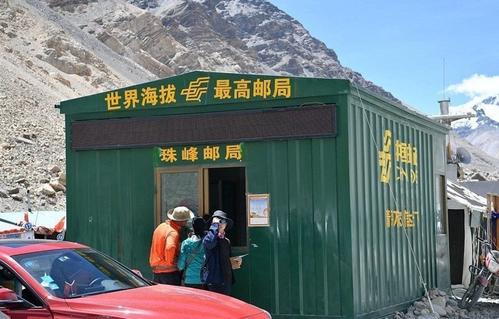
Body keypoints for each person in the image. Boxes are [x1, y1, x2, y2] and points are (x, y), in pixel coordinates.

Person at [149, 206, 194, 285]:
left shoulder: (161, 227)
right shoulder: (173, 232)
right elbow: (170, 247)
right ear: (182, 221)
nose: (187, 222)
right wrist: (171, 262)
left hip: (157, 271)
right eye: (186, 220)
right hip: (169, 273)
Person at [202, 210, 235, 295]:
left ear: (226, 224)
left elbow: (229, 259)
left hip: (226, 280)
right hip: (214, 281)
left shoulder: (226, 241)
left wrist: (236, 261)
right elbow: (210, 243)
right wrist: (214, 225)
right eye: (218, 221)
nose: (220, 224)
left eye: (223, 221)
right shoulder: (207, 238)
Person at [177, 217, 206, 289]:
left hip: (189, 281)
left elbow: (180, 266)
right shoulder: (207, 243)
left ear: (193, 227)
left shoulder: (186, 243)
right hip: (203, 280)